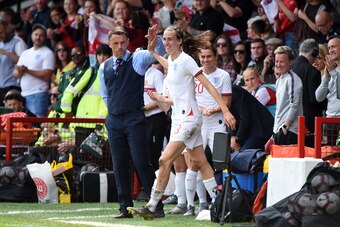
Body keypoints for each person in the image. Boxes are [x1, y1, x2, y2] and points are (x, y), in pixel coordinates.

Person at [127, 25, 236, 219]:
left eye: (170, 39)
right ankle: (219, 202)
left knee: (164, 159)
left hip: (189, 119)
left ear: (179, 41)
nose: (166, 42)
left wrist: (226, 110)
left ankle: (152, 206)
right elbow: (167, 66)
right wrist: (151, 50)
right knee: (200, 162)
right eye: (165, 39)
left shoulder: (186, 61)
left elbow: (208, 85)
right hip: (181, 118)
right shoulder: (171, 60)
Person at [98, 26, 166, 219]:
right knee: (119, 164)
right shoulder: (104, 66)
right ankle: (124, 207)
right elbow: (105, 93)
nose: (120, 47)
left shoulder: (137, 58)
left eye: (123, 43)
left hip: (134, 117)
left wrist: (156, 39)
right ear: (109, 44)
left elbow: (158, 53)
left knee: (141, 162)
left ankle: (157, 204)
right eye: (116, 43)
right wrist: (114, 110)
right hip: (114, 119)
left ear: (128, 42)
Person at [184, 42, 232, 216]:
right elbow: (189, 98)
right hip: (198, 123)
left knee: (221, 162)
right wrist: (201, 109)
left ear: (215, 57)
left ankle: (219, 202)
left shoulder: (223, 76)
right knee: (195, 162)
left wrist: (213, 109)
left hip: (217, 123)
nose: (206, 60)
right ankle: (195, 204)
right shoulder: (194, 74)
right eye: (203, 57)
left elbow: (227, 102)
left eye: (209, 56)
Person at [13, 24, 55, 117]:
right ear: (32, 35)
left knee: (37, 124)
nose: (38, 37)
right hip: (23, 94)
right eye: (36, 34)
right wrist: (20, 71)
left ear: (45, 37)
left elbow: (47, 74)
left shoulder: (48, 53)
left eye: (41, 35)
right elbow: (15, 74)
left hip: (38, 94)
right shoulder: (25, 53)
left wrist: (27, 71)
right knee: (25, 126)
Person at [291, 39, 326, 147]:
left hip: (291, 121)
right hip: (310, 124)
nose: (315, 61)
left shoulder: (290, 67)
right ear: (313, 54)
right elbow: (314, 99)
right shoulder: (312, 71)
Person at [273, 46, 303, 145]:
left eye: (281, 61)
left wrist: (285, 127)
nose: (278, 64)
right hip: (279, 129)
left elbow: (294, 104)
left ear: (290, 62)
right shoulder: (279, 80)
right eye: (276, 61)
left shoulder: (293, 79)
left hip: (290, 130)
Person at [229, 85, 274, 152]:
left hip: (260, 126)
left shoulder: (234, 91)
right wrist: (233, 137)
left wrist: (237, 139)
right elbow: (230, 117)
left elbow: (245, 117)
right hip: (248, 128)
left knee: (244, 155)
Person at [315, 35, 340, 145]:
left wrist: (333, 72)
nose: (331, 50)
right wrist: (326, 77)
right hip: (329, 120)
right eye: (329, 48)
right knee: (330, 157)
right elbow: (319, 97)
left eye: (334, 47)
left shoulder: (332, 71)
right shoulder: (329, 71)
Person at [0, 18, 26, 106]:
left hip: (13, 85)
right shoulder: (1, 43)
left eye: (1, 32)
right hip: (1, 86)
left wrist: (5, 52)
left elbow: (23, 61)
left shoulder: (18, 41)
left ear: (7, 29)